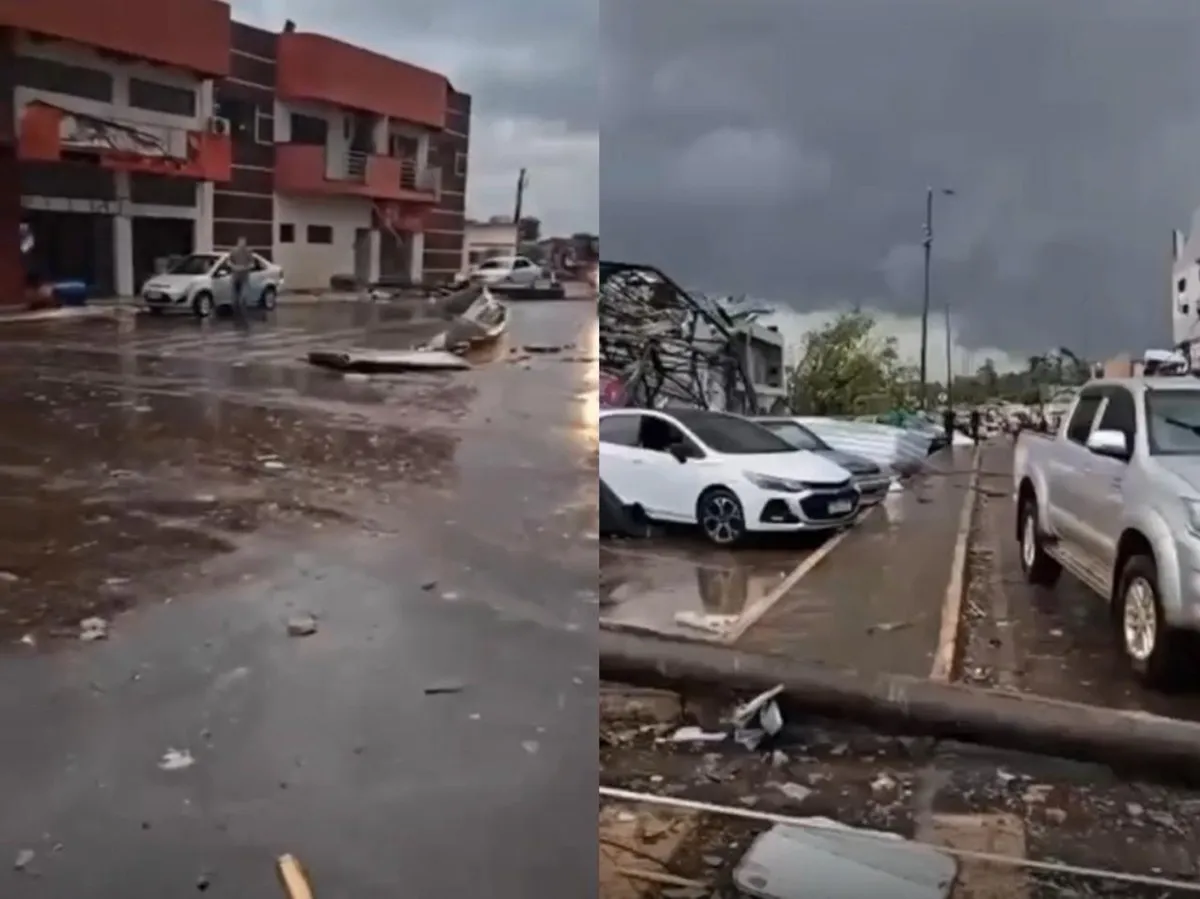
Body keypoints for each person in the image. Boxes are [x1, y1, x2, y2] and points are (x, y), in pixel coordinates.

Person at [229, 237, 253, 325]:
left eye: (243, 243)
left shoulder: (248, 252)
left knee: (243, 297)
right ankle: (237, 317)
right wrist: (234, 267)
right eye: (241, 243)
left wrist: (245, 267)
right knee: (234, 298)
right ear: (238, 243)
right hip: (235, 276)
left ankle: (243, 317)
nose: (242, 245)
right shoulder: (233, 251)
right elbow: (229, 262)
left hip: (244, 277)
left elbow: (252, 263)